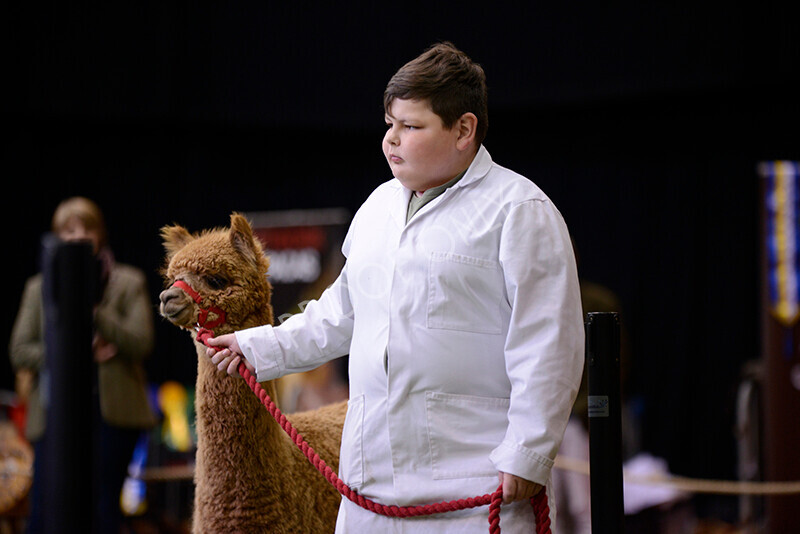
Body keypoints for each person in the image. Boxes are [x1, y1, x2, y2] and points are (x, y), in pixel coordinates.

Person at [207, 42, 584, 533]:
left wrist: (528, 453)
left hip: (476, 489)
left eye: (411, 126)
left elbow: (550, 342)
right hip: (369, 492)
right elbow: (339, 315)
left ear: (464, 130)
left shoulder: (520, 211)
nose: (391, 140)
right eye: (390, 125)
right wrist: (256, 346)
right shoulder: (377, 208)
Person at [9, 196, 156, 534]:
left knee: (103, 512)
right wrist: (71, 356)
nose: (77, 237)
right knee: (45, 514)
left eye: (85, 229)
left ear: (99, 234)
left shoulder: (128, 282)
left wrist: (94, 310)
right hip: (53, 415)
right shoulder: (38, 288)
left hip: (113, 415)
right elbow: (19, 350)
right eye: (68, 230)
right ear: (57, 236)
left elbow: (142, 342)